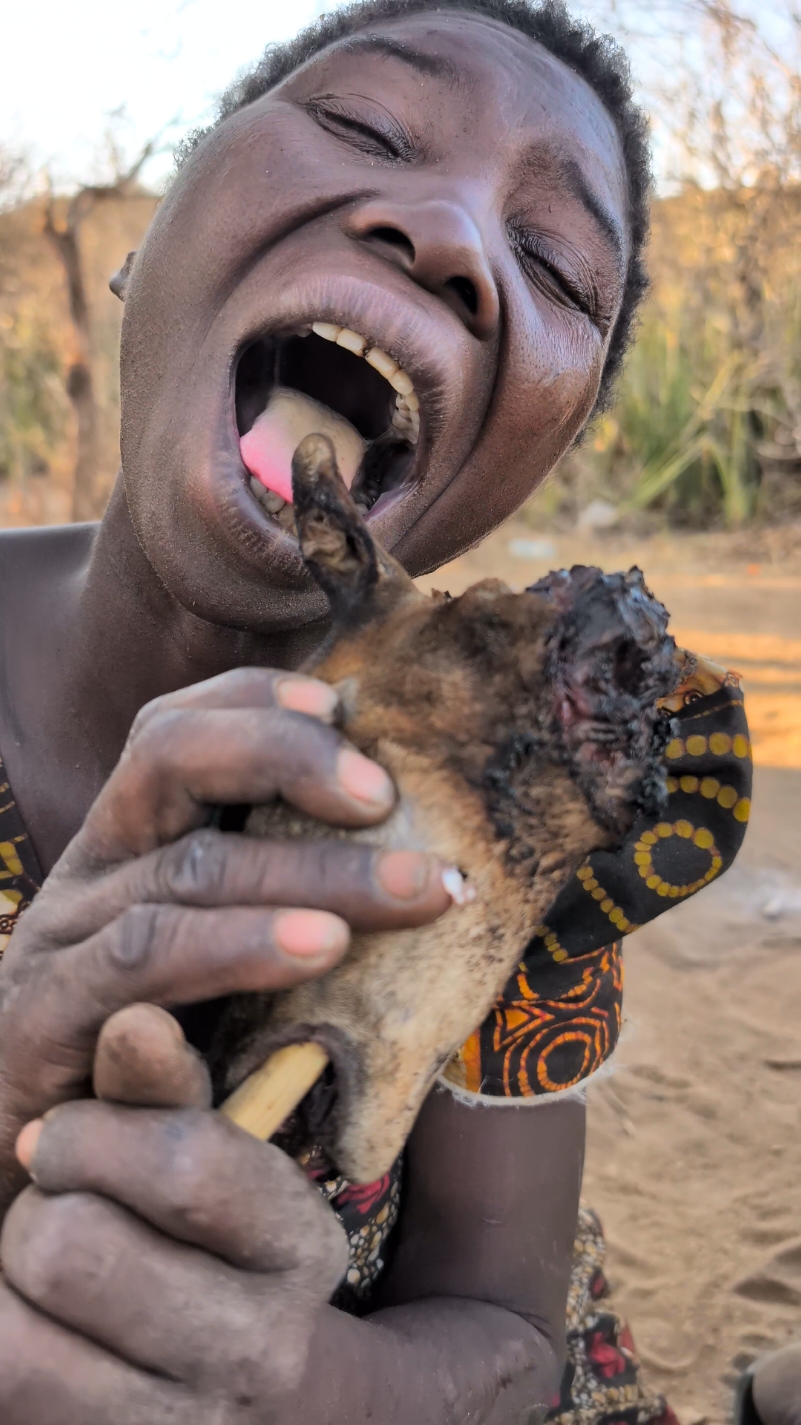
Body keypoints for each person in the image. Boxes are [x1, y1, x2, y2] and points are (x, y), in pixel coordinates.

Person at [0, 1, 751, 1419]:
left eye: (550, 263)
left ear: (532, 452)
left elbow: (502, 1323)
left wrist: (286, 1373)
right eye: (361, 127)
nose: (454, 240)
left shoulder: (519, 800)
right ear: (149, 237)